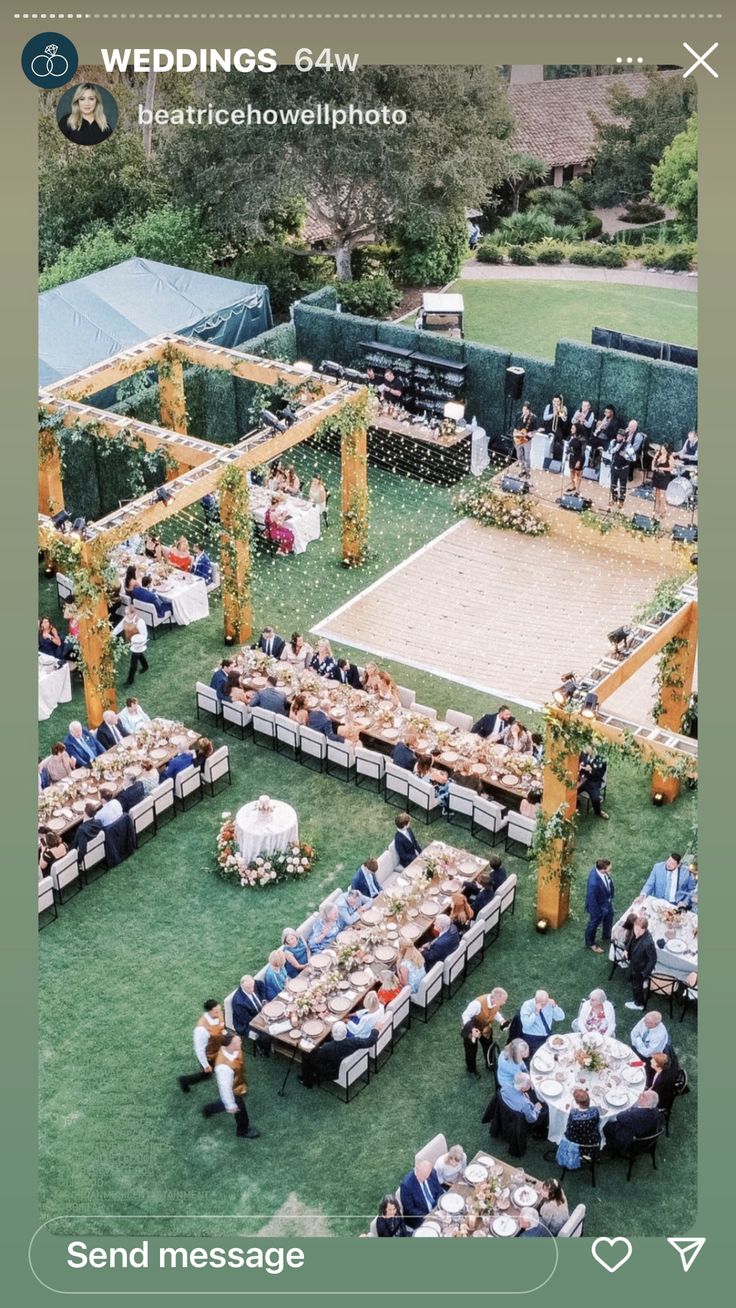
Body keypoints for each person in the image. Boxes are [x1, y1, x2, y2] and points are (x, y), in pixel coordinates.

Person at [201, 1029, 260, 1139]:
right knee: (239, 1108)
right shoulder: (223, 1067)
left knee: (229, 1102)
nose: (241, 1043)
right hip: (233, 1090)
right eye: (238, 1042)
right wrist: (230, 1105)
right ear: (230, 1045)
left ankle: (208, 1109)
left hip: (237, 1083)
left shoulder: (234, 1050)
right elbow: (225, 1088)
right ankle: (243, 1130)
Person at [299, 1021, 377, 1088]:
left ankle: (307, 1082)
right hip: (342, 1064)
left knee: (306, 1054)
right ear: (346, 1032)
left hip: (331, 1072)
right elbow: (370, 1041)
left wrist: (316, 1048)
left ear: (332, 1033)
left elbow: (319, 1062)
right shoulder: (354, 1041)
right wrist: (375, 1029)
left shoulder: (327, 1047)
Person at [178, 1000, 226, 1093]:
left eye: (220, 1010)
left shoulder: (218, 1015)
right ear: (209, 1011)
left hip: (218, 1049)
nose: (220, 1013)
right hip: (210, 1056)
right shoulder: (201, 1029)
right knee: (206, 1075)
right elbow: (199, 1050)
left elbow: (221, 1028)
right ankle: (184, 1080)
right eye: (217, 1011)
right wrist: (206, 1065)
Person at [461, 986, 508, 1077]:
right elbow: (465, 1015)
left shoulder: (496, 1003)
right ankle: (471, 1070)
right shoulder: (477, 1004)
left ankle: (490, 1063)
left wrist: (502, 1020)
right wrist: (472, 1029)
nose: (504, 1002)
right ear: (496, 999)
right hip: (471, 1028)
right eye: (503, 1000)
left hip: (485, 1027)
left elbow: (495, 1012)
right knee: (471, 1050)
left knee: (489, 1045)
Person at [603, 1089, 660, 1155]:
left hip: (632, 1138)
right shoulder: (654, 1109)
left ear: (646, 1103)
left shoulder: (637, 1114)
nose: (640, 1095)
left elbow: (619, 1116)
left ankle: (610, 1146)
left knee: (607, 1124)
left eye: (643, 1096)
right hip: (644, 1130)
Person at [231, 975, 271, 1058]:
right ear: (242, 987)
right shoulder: (238, 1002)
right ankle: (262, 1048)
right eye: (248, 988)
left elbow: (261, 984)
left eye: (252, 986)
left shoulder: (252, 984)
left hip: (260, 1013)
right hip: (245, 1025)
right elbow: (247, 1020)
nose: (252, 989)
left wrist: (263, 999)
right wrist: (263, 1021)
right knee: (265, 1034)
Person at [624, 916, 658, 1010]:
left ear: (645, 929)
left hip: (640, 969)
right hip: (634, 963)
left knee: (637, 987)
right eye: (635, 929)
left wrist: (645, 973)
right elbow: (630, 941)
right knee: (634, 983)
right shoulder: (635, 932)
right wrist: (626, 950)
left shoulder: (648, 943)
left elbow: (653, 960)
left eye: (639, 930)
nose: (636, 932)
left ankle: (639, 1004)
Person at [399, 1159, 443, 1229]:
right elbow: (409, 1209)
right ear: (416, 1169)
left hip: (435, 1208)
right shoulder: (406, 1185)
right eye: (421, 1176)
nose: (424, 1179)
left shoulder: (432, 1173)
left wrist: (438, 1205)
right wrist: (426, 1216)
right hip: (420, 1217)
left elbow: (439, 1190)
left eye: (426, 1176)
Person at [112, 606, 149, 687]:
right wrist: (111, 635)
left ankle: (130, 680)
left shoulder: (140, 622)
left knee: (133, 662)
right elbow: (118, 628)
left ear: (133, 613)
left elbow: (144, 635)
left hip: (138, 644)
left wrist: (138, 643)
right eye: (125, 613)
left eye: (128, 613)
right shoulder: (125, 619)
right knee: (139, 655)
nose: (126, 615)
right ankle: (145, 666)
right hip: (130, 642)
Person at [519, 990, 565, 1054]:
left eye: (546, 1002)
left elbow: (561, 1017)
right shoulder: (527, 1005)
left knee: (560, 1050)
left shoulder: (549, 1003)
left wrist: (555, 1006)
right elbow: (526, 1025)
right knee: (543, 1056)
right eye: (542, 1003)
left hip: (547, 1034)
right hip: (533, 1037)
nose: (544, 1004)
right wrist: (535, 1013)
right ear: (536, 1000)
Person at [584, 857, 615, 952]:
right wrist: (596, 914)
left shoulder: (602, 872)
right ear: (602, 869)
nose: (610, 871)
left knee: (609, 917)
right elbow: (592, 900)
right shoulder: (593, 883)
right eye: (609, 869)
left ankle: (606, 935)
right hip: (598, 908)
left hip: (606, 902)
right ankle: (590, 943)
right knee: (593, 924)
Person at [606, 428, 638, 507]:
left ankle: (621, 501)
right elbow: (609, 451)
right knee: (613, 485)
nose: (618, 437)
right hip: (614, 466)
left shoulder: (628, 445)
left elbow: (634, 458)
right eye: (618, 435)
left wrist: (625, 455)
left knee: (622, 486)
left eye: (620, 436)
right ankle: (614, 499)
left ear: (624, 437)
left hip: (624, 468)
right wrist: (616, 448)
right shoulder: (613, 442)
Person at [578, 751, 609, 820]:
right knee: (573, 790)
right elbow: (579, 760)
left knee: (595, 798)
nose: (586, 749)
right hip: (582, 780)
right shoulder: (583, 753)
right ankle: (577, 802)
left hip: (593, 782)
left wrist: (591, 770)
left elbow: (600, 775)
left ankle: (598, 812)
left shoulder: (602, 760)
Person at [650, 443, 676, 519]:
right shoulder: (658, 453)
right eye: (662, 449)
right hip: (657, 475)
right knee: (656, 493)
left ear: (667, 450)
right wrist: (653, 467)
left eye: (664, 450)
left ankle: (663, 511)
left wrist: (662, 469)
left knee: (662, 494)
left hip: (665, 477)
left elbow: (671, 468)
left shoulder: (670, 457)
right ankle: (657, 507)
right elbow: (653, 460)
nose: (662, 450)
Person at [512, 401, 538, 471]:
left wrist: (531, 434)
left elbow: (535, 431)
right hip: (518, 439)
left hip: (527, 440)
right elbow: (514, 428)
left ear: (529, 410)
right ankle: (522, 469)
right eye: (523, 409)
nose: (524, 411)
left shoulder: (533, 418)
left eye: (526, 410)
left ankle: (527, 470)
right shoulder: (518, 416)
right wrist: (516, 434)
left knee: (527, 456)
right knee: (519, 456)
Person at [566, 423, 586, 494]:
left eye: (573, 428)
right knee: (572, 471)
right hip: (572, 456)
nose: (571, 430)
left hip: (579, 457)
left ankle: (577, 489)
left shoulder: (582, 439)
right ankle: (573, 486)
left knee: (578, 473)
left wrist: (579, 461)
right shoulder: (571, 437)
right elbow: (569, 445)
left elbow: (583, 451)